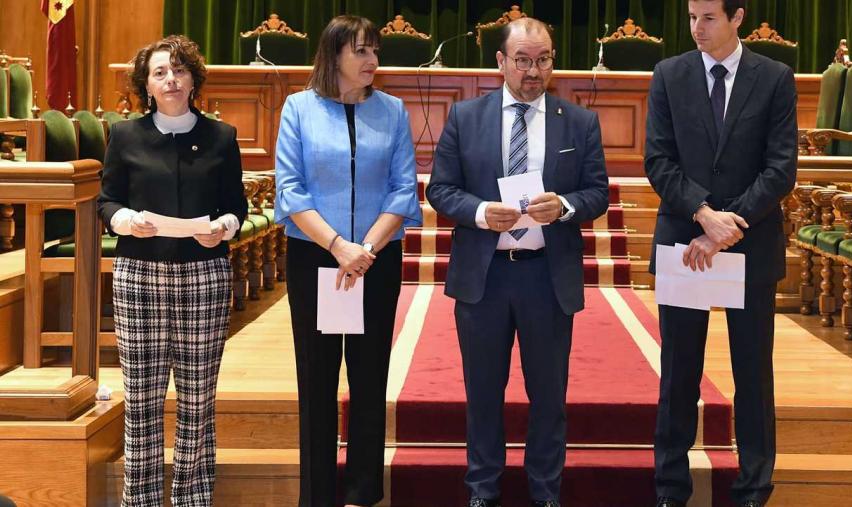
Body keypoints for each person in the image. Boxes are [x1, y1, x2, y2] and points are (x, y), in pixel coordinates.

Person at [426, 17, 609, 507]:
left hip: (547, 278)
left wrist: (565, 207)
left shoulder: (581, 121)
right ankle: (483, 490)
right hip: (484, 277)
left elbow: (596, 192)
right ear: (500, 62)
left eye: (543, 59)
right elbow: (440, 190)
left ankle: (545, 491)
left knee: (548, 397)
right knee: (483, 394)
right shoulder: (465, 118)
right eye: (523, 60)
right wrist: (483, 213)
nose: (534, 71)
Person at [644, 0, 797, 506]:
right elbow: (658, 160)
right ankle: (670, 487)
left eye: (708, 18)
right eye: (691, 17)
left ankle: (754, 487)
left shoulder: (774, 78)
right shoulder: (669, 74)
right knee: (679, 370)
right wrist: (703, 216)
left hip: (747, 244)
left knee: (752, 372)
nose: (696, 28)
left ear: (737, 18)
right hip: (686, 240)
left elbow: (780, 168)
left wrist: (727, 225)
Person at [274, 15, 422, 507]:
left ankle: (363, 489)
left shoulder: (394, 111)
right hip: (317, 257)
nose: (372, 61)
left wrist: (367, 250)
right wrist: (339, 247)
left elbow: (404, 189)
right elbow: (290, 191)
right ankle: (316, 494)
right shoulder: (298, 108)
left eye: (375, 51)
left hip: (375, 261)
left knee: (369, 372)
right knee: (316, 377)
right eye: (361, 51)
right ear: (333, 53)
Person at [98, 35, 247, 506]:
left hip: (203, 274)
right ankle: (139, 499)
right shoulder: (125, 135)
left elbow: (236, 207)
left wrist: (223, 227)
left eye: (179, 70)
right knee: (140, 399)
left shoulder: (221, 136)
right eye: (160, 72)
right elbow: (107, 200)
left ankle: (192, 498)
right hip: (139, 274)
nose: (171, 80)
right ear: (145, 83)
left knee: (198, 397)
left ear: (194, 78)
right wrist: (123, 220)